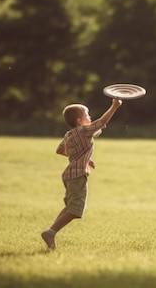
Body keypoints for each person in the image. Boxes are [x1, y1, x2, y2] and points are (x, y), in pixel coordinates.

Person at [41, 98, 122, 250]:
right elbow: (102, 122)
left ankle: (51, 232)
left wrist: (84, 158)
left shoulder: (69, 134)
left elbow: (60, 150)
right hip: (77, 175)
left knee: (70, 207)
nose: (90, 117)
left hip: (69, 175)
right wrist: (114, 107)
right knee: (75, 210)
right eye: (87, 114)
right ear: (79, 121)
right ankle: (50, 232)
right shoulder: (84, 131)